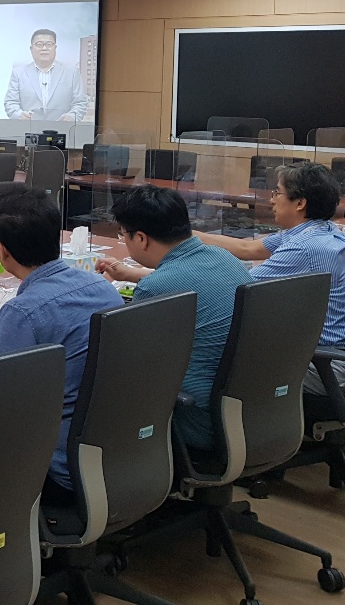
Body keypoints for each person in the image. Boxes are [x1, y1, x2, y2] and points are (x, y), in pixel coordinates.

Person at [0, 187, 123, 499]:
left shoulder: (21, 313)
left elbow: (5, 408)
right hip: (117, 450)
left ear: (2, 251)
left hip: (59, 468)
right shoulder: (101, 287)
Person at [98, 185, 251, 449]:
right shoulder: (224, 258)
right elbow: (188, 278)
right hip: (244, 409)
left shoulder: (156, 288)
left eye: (123, 235)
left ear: (141, 238)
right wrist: (132, 274)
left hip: (197, 419)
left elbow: (133, 366)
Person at [197, 161, 345, 393]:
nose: (271, 200)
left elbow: (237, 289)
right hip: (338, 355)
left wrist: (151, 274)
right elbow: (247, 248)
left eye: (277, 192)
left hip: (328, 367)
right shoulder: (319, 230)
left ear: (300, 203)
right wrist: (185, 235)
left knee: (211, 361)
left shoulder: (305, 247)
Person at [3, 28, 88, 122]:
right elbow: (11, 102)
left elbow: (80, 102)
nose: (44, 48)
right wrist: (19, 115)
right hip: (28, 129)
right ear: (31, 49)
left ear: (55, 48)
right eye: (39, 44)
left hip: (62, 129)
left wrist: (72, 117)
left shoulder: (71, 72)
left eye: (49, 44)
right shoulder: (19, 73)